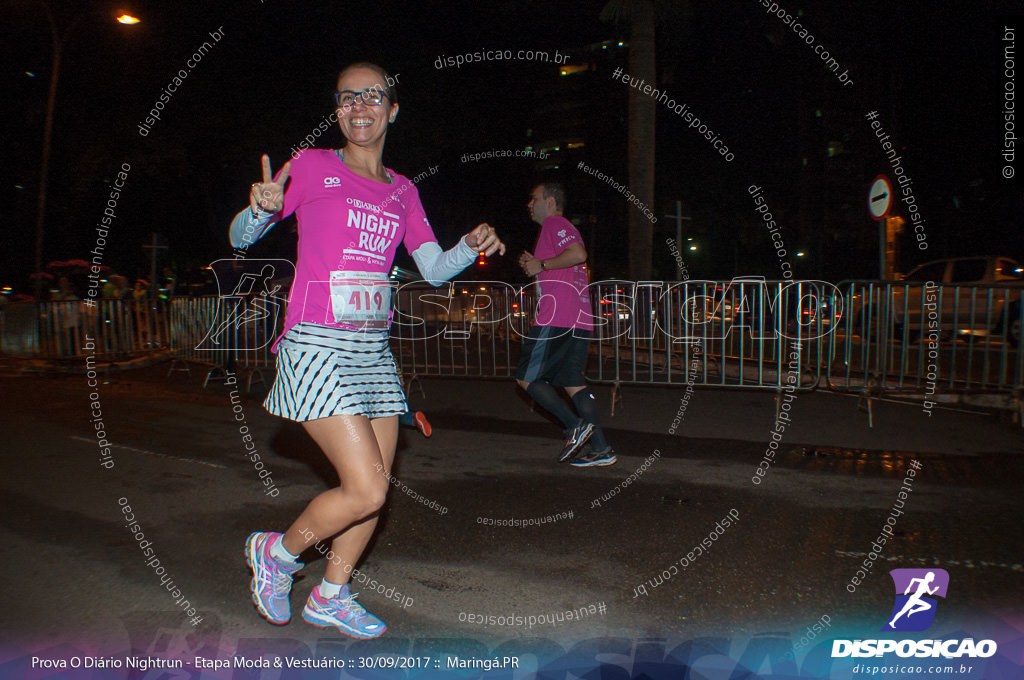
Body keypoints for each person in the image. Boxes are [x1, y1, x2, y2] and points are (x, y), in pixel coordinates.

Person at [228, 62, 504, 640]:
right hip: (316, 343)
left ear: (392, 109)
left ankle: (332, 594)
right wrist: (259, 208)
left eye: (371, 96)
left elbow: (431, 269)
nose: (359, 106)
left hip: (373, 352)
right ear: (337, 111)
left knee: (375, 486)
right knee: (367, 487)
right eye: (347, 97)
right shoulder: (312, 166)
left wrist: (468, 246)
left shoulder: (403, 190)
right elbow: (240, 238)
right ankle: (278, 553)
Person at [515, 183, 616, 467]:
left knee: (527, 378)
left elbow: (578, 254)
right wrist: (537, 264)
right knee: (572, 382)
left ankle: (574, 425)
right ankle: (601, 449)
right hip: (580, 319)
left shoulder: (555, 222)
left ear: (549, 201)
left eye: (533, 199)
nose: (529, 204)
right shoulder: (554, 228)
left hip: (558, 319)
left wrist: (542, 265)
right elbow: (568, 261)